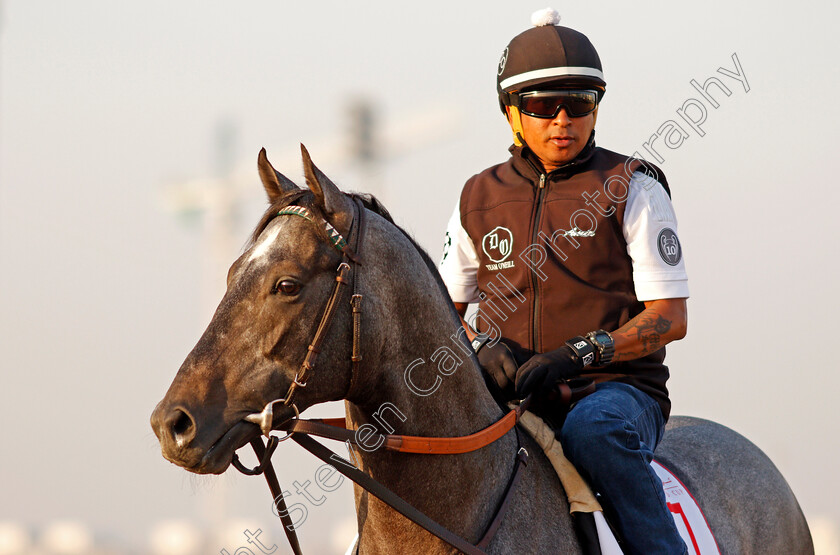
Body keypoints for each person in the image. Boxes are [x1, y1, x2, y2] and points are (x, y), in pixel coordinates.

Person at [439, 8, 689, 555]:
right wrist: (480, 348)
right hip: (508, 397)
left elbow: (670, 318)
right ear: (511, 113)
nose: (562, 121)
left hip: (617, 394)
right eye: (542, 106)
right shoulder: (475, 197)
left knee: (594, 432)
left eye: (578, 105)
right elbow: (445, 323)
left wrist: (578, 354)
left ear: (595, 109)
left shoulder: (635, 188)